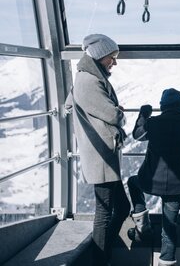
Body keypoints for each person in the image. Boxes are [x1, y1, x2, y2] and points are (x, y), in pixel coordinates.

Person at [65, 34, 130, 266]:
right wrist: (118, 112)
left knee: (121, 207)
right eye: (112, 57)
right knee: (104, 213)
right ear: (99, 56)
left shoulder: (87, 78)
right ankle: (100, 261)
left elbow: (70, 103)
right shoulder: (89, 81)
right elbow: (112, 115)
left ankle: (104, 254)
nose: (114, 62)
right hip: (101, 155)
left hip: (103, 154)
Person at [127, 88, 180, 266]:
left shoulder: (153, 123)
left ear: (163, 106)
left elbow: (137, 135)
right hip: (178, 184)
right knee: (170, 225)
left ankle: (142, 225)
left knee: (133, 183)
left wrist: (144, 114)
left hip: (151, 180)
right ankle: (166, 261)